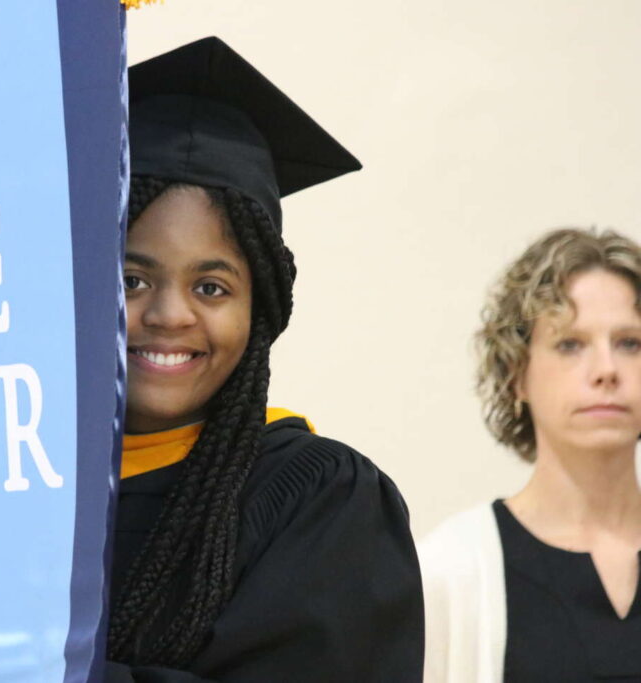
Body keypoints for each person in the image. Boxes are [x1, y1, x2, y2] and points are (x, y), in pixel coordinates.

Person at [104, 37, 424, 682]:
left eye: (212, 287)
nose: (170, 315)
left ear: (263, 307)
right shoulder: (18, 477)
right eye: (132, 279)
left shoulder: (322, 500)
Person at [420, 228, 641, 682]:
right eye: (570, 344)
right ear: (517, 374)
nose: (606, 370)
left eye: (630, 343)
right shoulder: (449, 571)